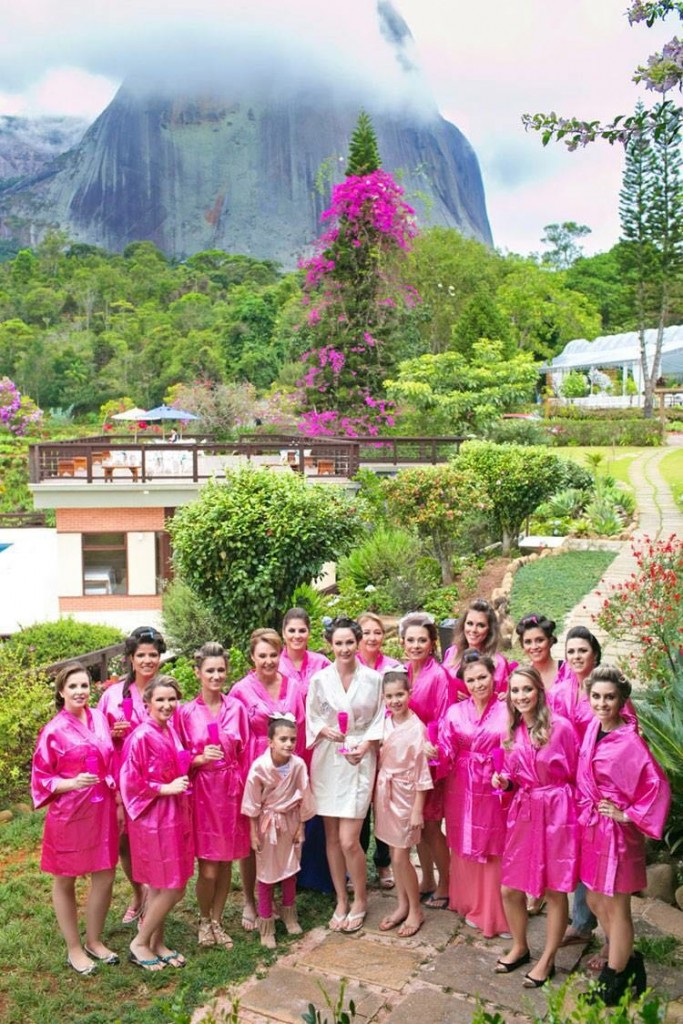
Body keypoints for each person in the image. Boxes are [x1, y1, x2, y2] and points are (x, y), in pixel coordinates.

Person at [578, 667, 671, 1005]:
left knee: (618, 909)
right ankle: (630, 962)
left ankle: (613, 979)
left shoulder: (629, 741)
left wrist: (626, 814)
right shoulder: (592, 729)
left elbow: (656, 785)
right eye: (597, 696)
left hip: (617, 835)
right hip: (593, 829)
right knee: (594, 899)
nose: (602, 703)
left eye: (610, 697)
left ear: (621, 700)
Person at [492, 667, 579, 987]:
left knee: (555, 890)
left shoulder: (562, 728)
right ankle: (520, 946)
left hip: (557, 812)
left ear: (539, 691)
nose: (521, 696)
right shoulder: (512, 731)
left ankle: (549, 958)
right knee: (510, 887)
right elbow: (514, 778)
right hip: (525, 811)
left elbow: (576, 775)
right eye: (515, 691)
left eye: (527, 689)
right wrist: (504, 782)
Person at [31, 663, 119, 975]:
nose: (80, 691)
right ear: (61, 691)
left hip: (102, 808)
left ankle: (94, 940)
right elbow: (42, 778)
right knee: (65, 878)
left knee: (105, 875)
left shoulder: (99, 718)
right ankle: (74, 948)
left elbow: (111, 755)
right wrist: (71, 783)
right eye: (73, 687)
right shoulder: (54, 730)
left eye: (84, 685)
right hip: (69, 814)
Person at [306, 617, 385, 933]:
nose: (344, 648)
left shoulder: (374, 679)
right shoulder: (319, 680)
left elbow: (381, 718)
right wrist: (322, 728)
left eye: (349, 642)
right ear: (331, 644)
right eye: (338, 643)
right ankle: (341, 898)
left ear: (358, 642)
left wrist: (366, 744)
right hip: (328, 757)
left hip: (358, 759)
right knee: (331, 839)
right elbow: (311, 716)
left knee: (349, 839)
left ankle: (361, 899)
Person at [228, 627, 305, 931]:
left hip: (285, 768)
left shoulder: (294, 687)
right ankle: (252, 900)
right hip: (254, 765)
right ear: (252, 657)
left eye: (274, 654)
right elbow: (232, 733)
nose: (269, 660)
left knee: (283, 832)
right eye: (263, 655)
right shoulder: (241, 690)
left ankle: (285, 902)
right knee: (254, 837)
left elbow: (299, 726)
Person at [177, 642, 250, 949]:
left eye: (221, 670)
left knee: (225, 864)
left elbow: (245, 753)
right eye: (210, 670)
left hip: (231, 790)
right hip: (203, 793)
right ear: (198, 673)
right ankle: (203, 918)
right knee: (207, 868)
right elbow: (177, 758)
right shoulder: (185, 713)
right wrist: (197, 759)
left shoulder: (237, 708)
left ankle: (217, 922)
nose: (216, 675)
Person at [120, 675, 193, 971]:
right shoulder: (140, 736)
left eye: (171, 699)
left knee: (163, 885)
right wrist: (165, 788)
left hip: (173, 815)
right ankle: (139, 942)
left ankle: (156, 943)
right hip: (153, 819)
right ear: (147, 703)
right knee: (172, 886)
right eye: (160, 700)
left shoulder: (170, 730)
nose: (166, 705)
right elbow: (130, 781)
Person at [98, 625, 166, 923]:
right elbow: (97, 737)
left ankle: (153, 898)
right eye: (141, 655)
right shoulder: (113, 695)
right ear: (130, 658)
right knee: (125, 841)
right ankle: (138, 892)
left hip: (157, 778)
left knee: (151, 839)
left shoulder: (165, 693)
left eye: (153, 655)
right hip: (122, 776)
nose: (147, 661)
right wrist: (112, 733)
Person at [440, 651, 510, 938]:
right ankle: (469, 902)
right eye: (471, 680)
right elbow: (446, 748)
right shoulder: (455, 711)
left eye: (483, 677)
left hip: (495, 783)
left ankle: (497, 913)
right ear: (464, 683)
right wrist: (436, 752)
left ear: (494, 677)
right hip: (461, 783)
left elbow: (518, 745)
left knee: (495, 843)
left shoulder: (509, 710)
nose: (478, 684)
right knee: (464, 840)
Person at [241, 714, 314, 948]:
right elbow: (251, 802)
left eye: (293, 739)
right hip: (266, 824)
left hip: (291, 821)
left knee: (290, 868)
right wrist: (253, 833)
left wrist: (301, 827)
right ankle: (266, 924)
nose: (288, 744)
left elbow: (304, 796)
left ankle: (289, 914)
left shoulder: (298, 765)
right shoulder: (259, 767)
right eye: (283, 739)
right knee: (266, 873)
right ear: (270, 741)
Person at [552, 626, 605, 948]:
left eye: (582, 650)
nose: (576, 656)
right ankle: (581, 921)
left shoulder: (606, 689)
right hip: (565, 784)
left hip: (596, 784)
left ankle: (594, 922)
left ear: (595, 654)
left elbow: (624, 732)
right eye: (570, 651)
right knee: (573, 849)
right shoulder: (559, 690)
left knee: (595, 852)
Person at [400, 611, 453, 908]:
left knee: (432, 825)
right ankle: (428, 879)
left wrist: (434, 748)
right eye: (411, 640)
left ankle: (446, 883)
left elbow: (445, 718)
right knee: (418, 824)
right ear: (403, 643)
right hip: (408, 758)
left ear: (432, 643)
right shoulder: (405, 672)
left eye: (422, 640)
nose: (416, 645)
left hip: (430, 759)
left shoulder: (437, 676)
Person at [374, 671, 432, 938]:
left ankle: (415, 910)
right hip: (386, 793)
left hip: (408, 795)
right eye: (389, 696)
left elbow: (422, 772)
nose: (395, 700)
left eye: (400, 694)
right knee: (396, 858)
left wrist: (418, 808)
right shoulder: (384, 723)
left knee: (400, 856)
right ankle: (402, 904)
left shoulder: (417, 728)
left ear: (410, 694)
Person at [357, 611, 401, 890]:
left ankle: (383, 862)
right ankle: (357, 865)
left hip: (387, 745)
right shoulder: (350, 665)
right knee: (359, 808)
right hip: (359, 746)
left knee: (383, 803)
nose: (372, 637)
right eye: (367, 632)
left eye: (377, 632)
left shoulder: (394, 667)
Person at [444, 598, 511, 697]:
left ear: (490, 630)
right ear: (463, 625)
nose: (473, 630)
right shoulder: (452, 652)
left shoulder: (499, 663)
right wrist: (450, 692)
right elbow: (441, 685)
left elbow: (503, 698)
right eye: (470, 623)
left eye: (480, 625)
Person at [279, 607, 331, 702]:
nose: (297, 636)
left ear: (309, 633)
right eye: (292, 631)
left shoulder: (322, 663)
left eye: (302, 631)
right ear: (283, 633)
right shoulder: (275, 666)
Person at [515, 613, 561, 692]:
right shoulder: (522, 677)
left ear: (550, 641)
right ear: (522, 645)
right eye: (528, 642)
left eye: (540, 640)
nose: (534, 647)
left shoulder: (568, 671)